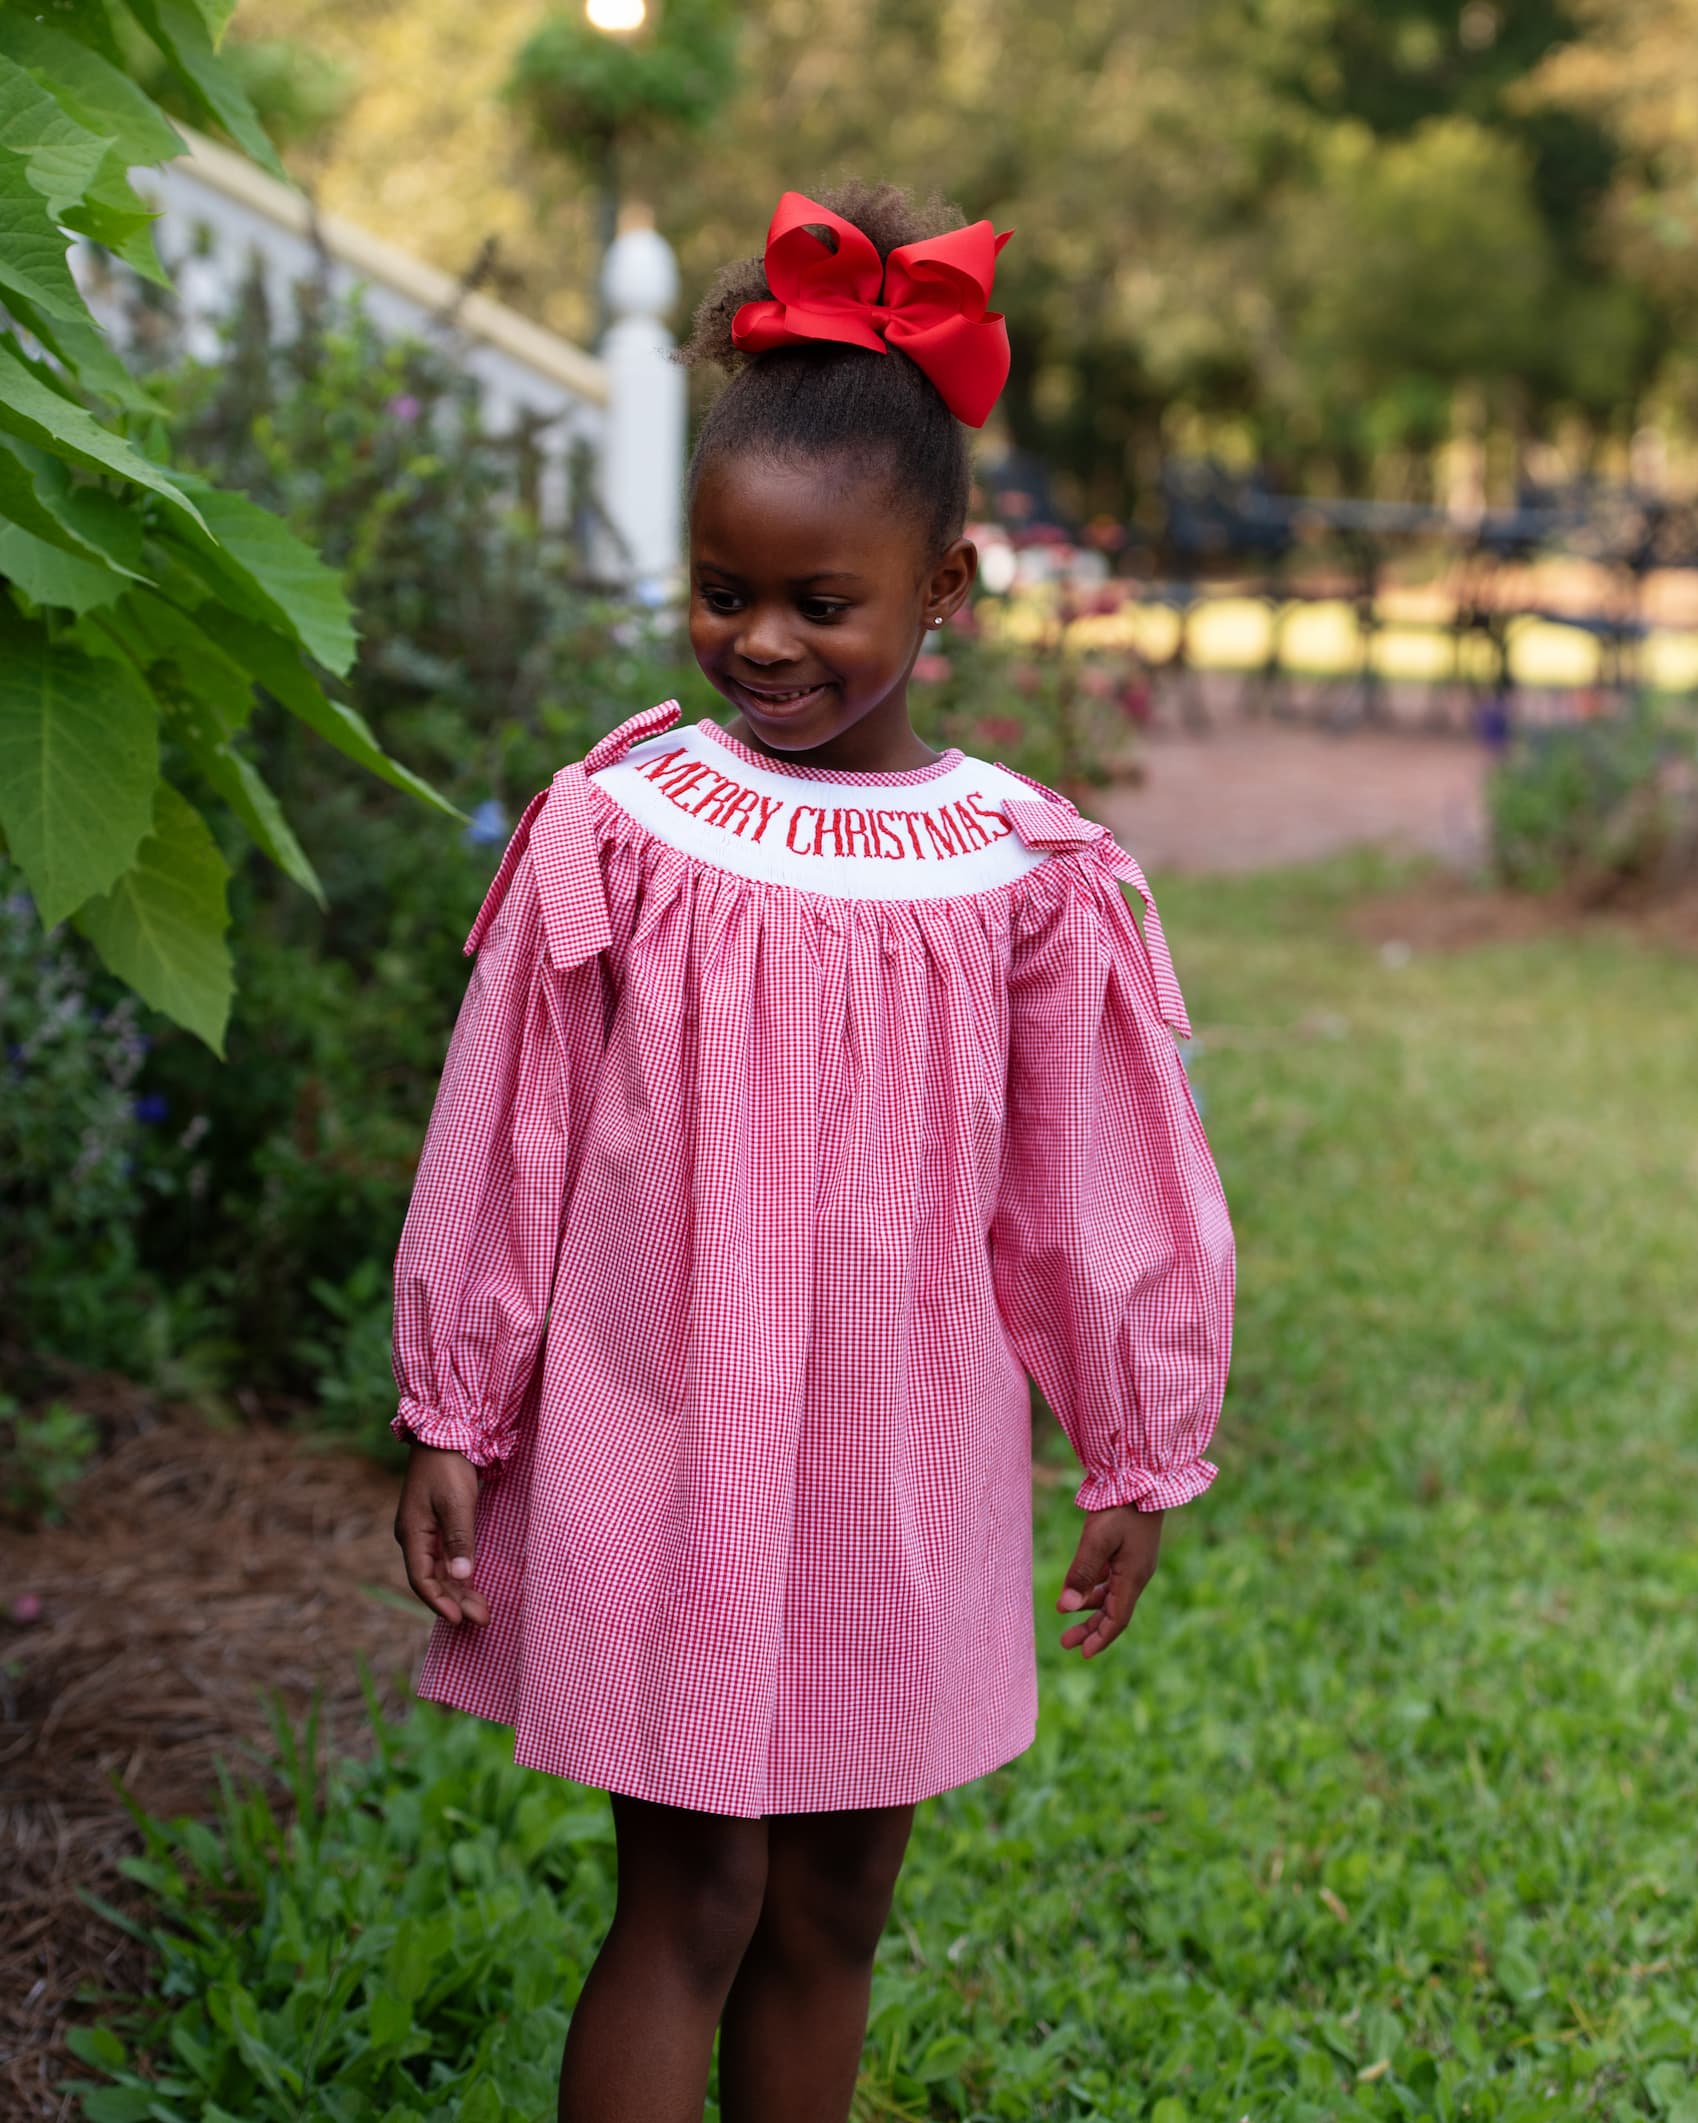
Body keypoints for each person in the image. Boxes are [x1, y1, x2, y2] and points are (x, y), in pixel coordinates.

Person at [389, 179, 1234, 2123]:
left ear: (944, 588)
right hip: (671, 1435)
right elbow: (510, 1125)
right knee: (690, 1895)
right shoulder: (634, 826)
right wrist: (458, 1403)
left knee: (840, 1898)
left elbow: (1090, 1189)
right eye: (722, 590)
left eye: (818, 601)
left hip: (894, 1464)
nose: (757, 641)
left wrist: (1134, 1435)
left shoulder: (1021, 872)